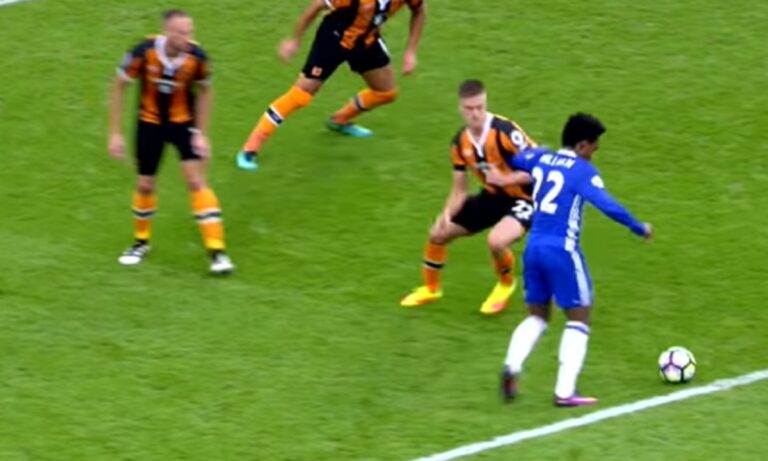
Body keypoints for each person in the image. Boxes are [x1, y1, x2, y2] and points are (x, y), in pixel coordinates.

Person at [486, 113, 653, 406]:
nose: (594, 153)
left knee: (537, 316)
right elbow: (607, 205)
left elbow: (516, 158)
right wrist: (638, 226)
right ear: (581, 145)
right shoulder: (582, 171)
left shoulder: (541, 158)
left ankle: (512, 366)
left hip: (533, 248)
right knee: (580, 317)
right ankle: (564, 392)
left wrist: (495, 167)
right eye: (593, 147)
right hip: (562, 250)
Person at [108, 9, 234, 274]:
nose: (188, 37)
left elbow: (206, 91)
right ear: (167, 33)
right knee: (145, 184)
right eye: (181, 33)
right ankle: (140, 243)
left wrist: (201, 132)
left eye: (190, 32)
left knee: (195, 180)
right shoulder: (143, 52)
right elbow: (119, 85)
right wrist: (115, 132)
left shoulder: (198, 58)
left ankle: (217, 252)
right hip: (149, 123)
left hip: (183, 123)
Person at [235, 0, 427, 171]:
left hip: (366, 41)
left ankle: (339, 120)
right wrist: (295, 40)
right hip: (334, 40)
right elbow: (317, 6)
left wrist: (411, 51)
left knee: (386, 92)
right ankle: (250, 148)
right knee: (301, 94)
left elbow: (419, 10)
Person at [400, 80, 536, 315]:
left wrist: (505, 180)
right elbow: (459, 190)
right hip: (493, 196)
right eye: (469, 108)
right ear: (460, 109)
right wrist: (446, 214)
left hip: (527, 198)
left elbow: (540, 169)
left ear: (486, 104)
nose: (475, 114)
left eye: (479, 107)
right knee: (438, 234)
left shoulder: (506, 132)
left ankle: (506, 285)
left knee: (496, 241)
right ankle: (431, 289)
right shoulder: (459, 143)